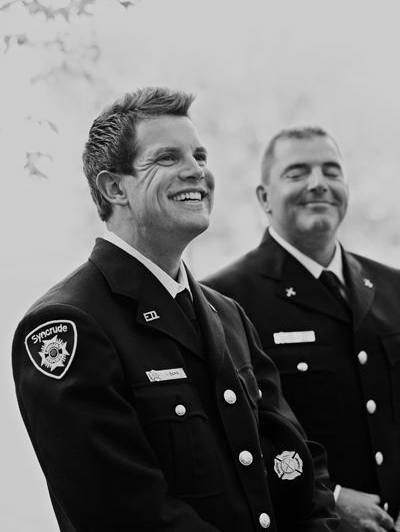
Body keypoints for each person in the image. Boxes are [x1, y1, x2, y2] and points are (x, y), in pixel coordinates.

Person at [12, 91, 338, 532]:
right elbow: (125, 512)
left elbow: (295, 460)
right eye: (168, 157)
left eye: (200, 155)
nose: (197, 171)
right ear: (114, 187)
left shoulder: (227, 315)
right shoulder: (68, 324)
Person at [201, 126, 400, 532]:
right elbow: (232, 438)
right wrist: (334, 498)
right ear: (264, 197)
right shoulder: (223, 299)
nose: (318, 184)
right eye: (297, 173)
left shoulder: (393, 287)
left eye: (331, 171)